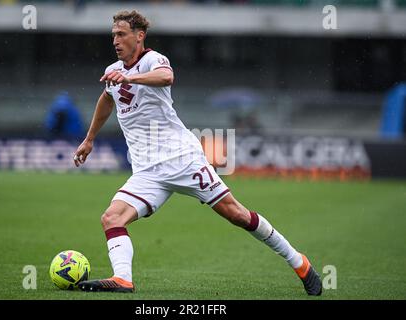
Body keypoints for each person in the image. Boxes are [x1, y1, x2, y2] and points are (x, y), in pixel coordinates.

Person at [73, 10, 322, 296]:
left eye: (122, 34)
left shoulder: (153, 60)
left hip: (182, 160)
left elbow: (167, 77)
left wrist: (129, 79)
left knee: (237, 214)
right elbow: (107, 98)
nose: (115, 40)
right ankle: (123, 279)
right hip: (147, 171)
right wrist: (89, 139)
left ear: (139, 36)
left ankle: (299, 262)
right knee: (112, 218)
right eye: (113, 35)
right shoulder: (114, 70)